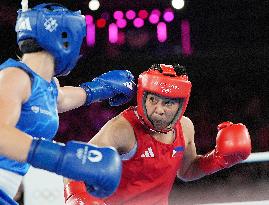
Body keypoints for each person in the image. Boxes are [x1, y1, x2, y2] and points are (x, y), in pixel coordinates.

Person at [0, 2, 136, 205]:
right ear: (63, 39)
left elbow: (62, 99)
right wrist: (63, 158)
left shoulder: (45, 85)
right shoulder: (14, 77)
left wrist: (102, 87)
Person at [64, 64, 252, 205]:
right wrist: (78, 198)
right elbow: (73, 163)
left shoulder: (185, 127)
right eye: (153, 100)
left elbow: (187, 171)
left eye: (167, 103)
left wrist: (219, 160)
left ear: (181, 105)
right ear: (143, 96)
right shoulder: (123, 129)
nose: (158, 110)